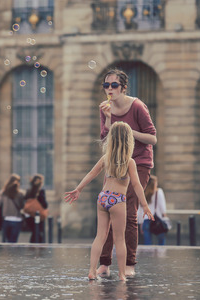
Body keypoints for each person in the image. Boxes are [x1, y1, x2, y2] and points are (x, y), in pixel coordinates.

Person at [65, 122, 154, 281]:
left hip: (103, 197)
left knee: (100, 236)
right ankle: (121, 274)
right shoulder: (129, 162)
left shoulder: (106, 158)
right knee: (120, 239)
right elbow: (137, 185)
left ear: (111, 139)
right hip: (118, 200)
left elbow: (91, 173)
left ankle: (92, 270)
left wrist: (78, 189)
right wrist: (145, 205)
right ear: (129, 141)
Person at [98, 68, 157, 277]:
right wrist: (107, 119)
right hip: (115, 162)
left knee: (129, 212)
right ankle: (104, 263)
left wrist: (127, 131)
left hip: (138, 162)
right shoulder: (105, 108)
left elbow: (152, 138)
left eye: (114, 85)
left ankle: (130, 263)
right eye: (106, 85)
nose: (109, 89)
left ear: (123, 88)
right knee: (109, 207)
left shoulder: (137, 106)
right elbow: (106, 141)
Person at [138, 175, 168, 245]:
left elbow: (140, 209)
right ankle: (161, 255)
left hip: (146, 219)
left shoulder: (143, 193)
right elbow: (162, 207)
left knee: (147, 243)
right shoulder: (159, 192)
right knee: (161, 240)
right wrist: (165, 217)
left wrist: (141, 223)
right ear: (155, 183)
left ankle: (148, 255)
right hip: (158, 219)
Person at [0, 174, 25, 243]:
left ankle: (9, 253)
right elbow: (23, 206)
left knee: (8, 241)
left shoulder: (3, 192)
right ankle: (12, 253)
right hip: (17, 219)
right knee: (13, 241)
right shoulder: (20, 193)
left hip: (7, 219)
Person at [24, 174, 48, 243]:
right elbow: (44, 204)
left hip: (29, 215)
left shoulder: (29, 190)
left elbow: (25, 200)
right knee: (39, 232)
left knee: (34, 232)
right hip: (38, 215)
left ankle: (32, 248)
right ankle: (37, 249)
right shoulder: (41, 191)